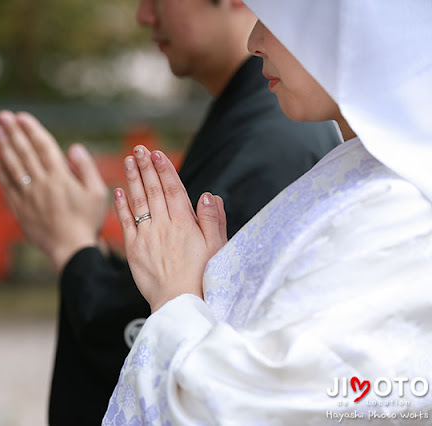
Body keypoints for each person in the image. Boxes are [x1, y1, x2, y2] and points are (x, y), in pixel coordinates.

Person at [0, 1, 342, 424]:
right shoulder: (255, 114)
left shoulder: (273, 138)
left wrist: (71, 247)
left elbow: (176, 324)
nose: (144, 16)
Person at [104, 0, 432, 423]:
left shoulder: (398, 210)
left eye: (278, 20)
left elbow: (249, 409)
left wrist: (176, 295)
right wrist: (216, 291)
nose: (254, 41)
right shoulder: (368, 171)